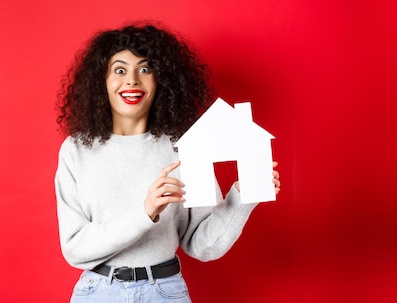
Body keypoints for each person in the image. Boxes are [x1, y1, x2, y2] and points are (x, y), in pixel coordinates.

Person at [54, 22, 280, 303]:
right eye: (120, 70)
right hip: (97, 292)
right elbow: (75, 249)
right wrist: (146, 211)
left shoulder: (182, 147)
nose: (132, 80)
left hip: (164, 293)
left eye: (145, 69)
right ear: (102, 80)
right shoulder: (76, 151)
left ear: (161, 80)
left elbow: (203, 246)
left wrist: (243, 197)